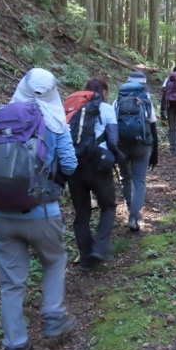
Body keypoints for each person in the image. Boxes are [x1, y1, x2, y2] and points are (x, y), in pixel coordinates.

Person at [0, 67, 78, 350]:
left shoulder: (0, 116)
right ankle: (52, 315)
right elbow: (69, 163)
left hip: (0, 212)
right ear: (53, 91)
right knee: (54, 259)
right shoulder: (54, 122)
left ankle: (15, 346)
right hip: (41, 211)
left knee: (11, 283)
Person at [68, 77, 125, 271]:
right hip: (99, 165)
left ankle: (86, 259)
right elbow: (113, 139)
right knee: (108, 206)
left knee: (81, 214)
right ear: (105, 92)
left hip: (74, 165)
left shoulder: (72, 108)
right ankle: (100, 247)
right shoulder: (107, 109)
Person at [114, 70, 159, 232]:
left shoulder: (117, 101)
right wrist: (154, 153)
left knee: (125, 177)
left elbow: (112, 126)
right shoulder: (146, 101)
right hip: (142, 145)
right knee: (139, 180)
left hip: (121, 145)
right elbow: (153, 128)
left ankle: (129, 208)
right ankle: (134, 216)